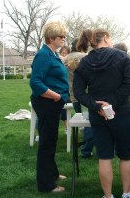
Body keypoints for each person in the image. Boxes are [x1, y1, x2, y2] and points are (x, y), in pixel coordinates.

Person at [73, 29, 130, 198]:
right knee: (126, 154)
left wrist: (96, 106)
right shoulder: (122, 57)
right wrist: (111, 104)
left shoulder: (84, 62)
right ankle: (127, 193)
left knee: (105, 155)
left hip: (98, 114)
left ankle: (108, 196)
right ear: (106, 38)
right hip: (120, 111)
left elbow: (78, 92)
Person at [29, 21, 69, 193]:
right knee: (47, 143)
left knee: (51, 140)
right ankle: (46, 185)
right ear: (52, 37)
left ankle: (52, 173)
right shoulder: (43, 55)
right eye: (61, 37)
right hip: (47, 104)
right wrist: (57, 96)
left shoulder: (52, 54)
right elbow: (35, 83)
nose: (64, 40)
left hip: (52, 104)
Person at [62, 36, 94, 158]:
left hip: (74, 95)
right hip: (87, 95)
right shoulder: (85, 57)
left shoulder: (64, 59)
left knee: (86, 122)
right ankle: (86, 150)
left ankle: (88, 148)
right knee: (90, 123)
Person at [59, 45, 71, 134]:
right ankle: (67, 127)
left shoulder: (71, 65)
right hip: (62, 91)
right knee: (63, 105)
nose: (64, 55)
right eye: (62, 54)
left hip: (71, 91)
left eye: (66, 54)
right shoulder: (58, 64)